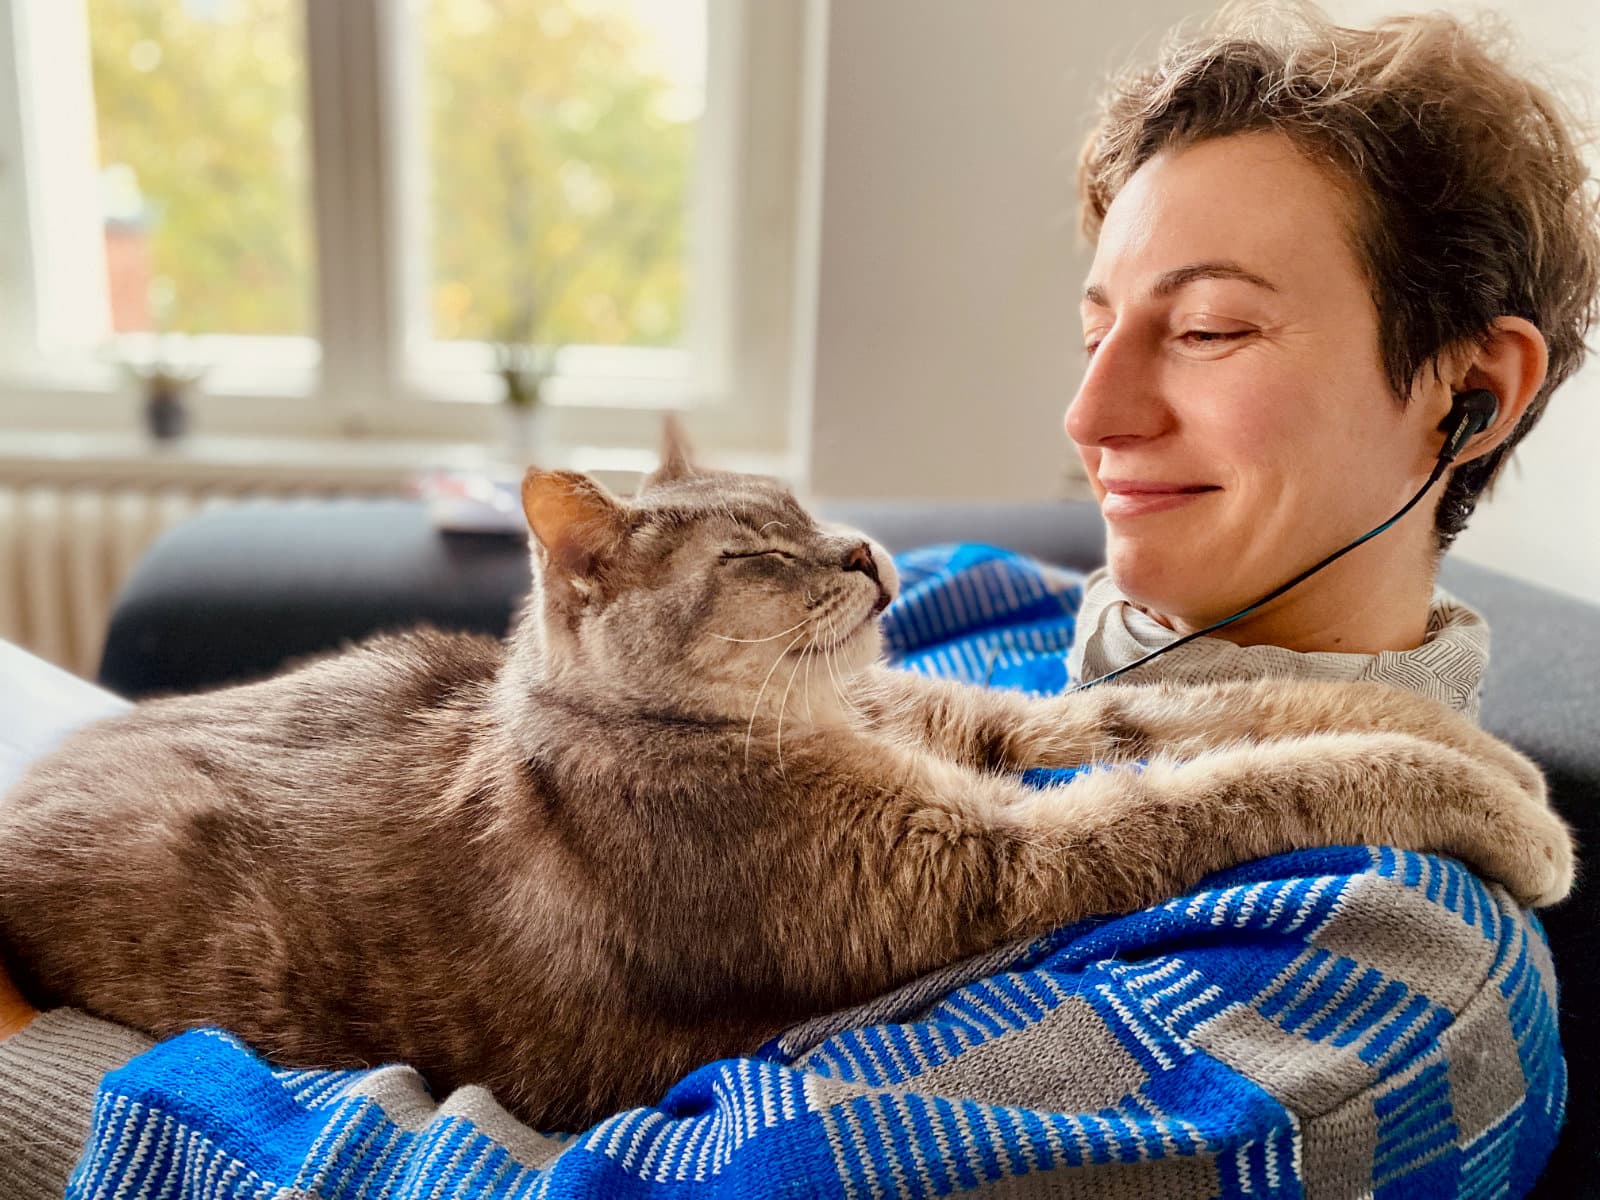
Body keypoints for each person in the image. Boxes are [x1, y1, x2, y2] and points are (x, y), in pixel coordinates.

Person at [3, 2, 1596, 1195]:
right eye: (1096, 322)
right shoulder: (992, 605)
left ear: (1472, 392)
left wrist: (26, 1057)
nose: (1090, 415)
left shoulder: (1374, 986)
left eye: (1212, 331)